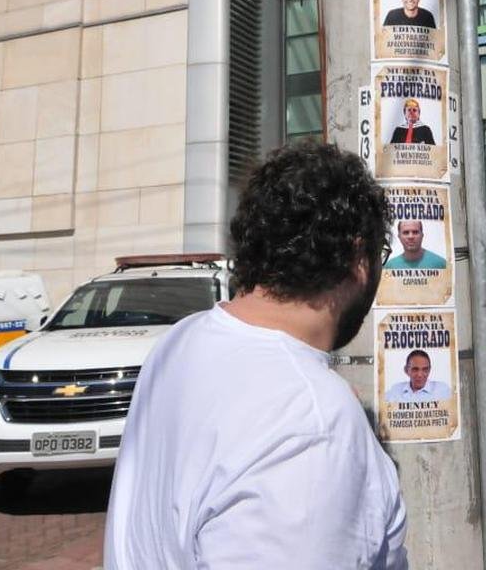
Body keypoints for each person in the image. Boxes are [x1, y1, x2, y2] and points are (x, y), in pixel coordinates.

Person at [105, 142, 407, 570]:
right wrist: (322, 411)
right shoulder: (313, 421)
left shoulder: (180, 342)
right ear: (359, 258)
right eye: (379, 256)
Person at [385, 349, 450, 403]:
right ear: (406, 370)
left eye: (425, 369)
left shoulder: (442, 390)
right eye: (415, 369)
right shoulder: (394, 392)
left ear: (429, 370)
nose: (419, 375)